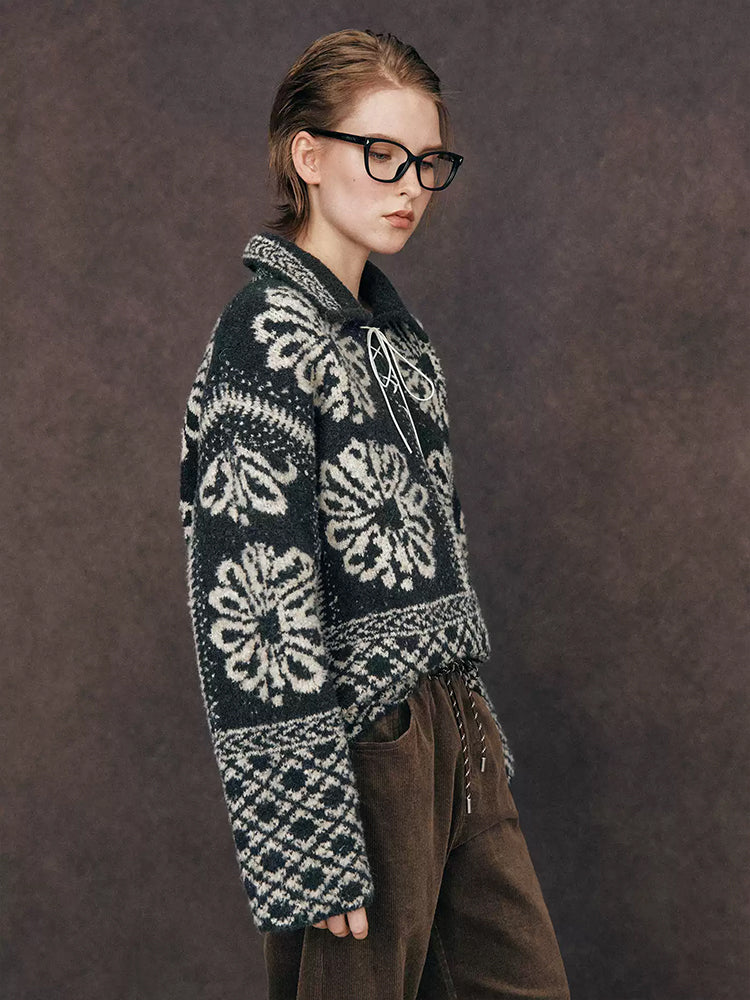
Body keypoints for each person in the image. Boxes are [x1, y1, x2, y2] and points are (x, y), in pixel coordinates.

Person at [179, 27, 570, 1000]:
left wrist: (462, 728)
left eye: (428, 162)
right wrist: (304, 828)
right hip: (362, 739)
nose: (411, 186)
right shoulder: (266, 338)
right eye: (383, 154)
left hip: (454, 723)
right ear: (308, 156)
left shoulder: (399, 344)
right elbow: (251, 596)